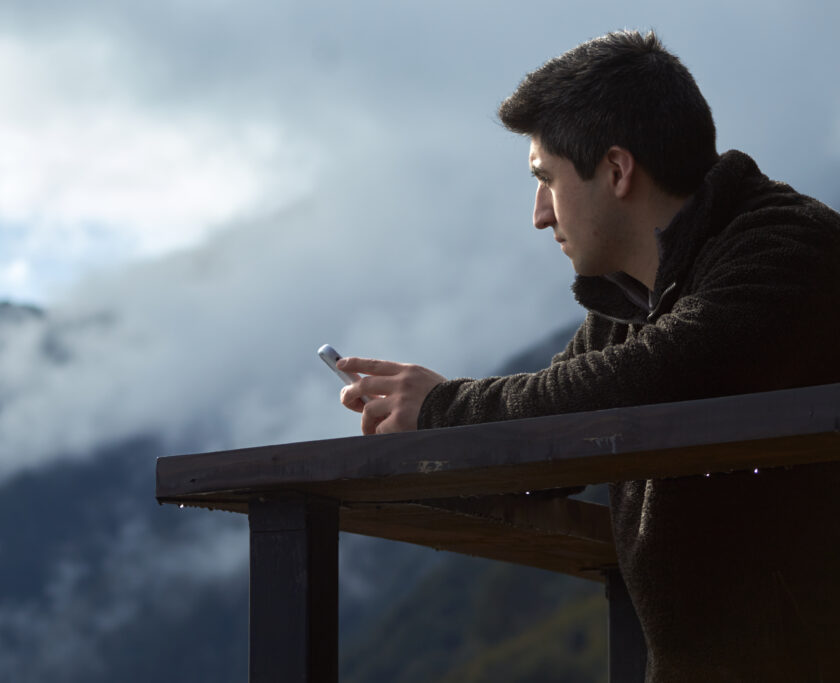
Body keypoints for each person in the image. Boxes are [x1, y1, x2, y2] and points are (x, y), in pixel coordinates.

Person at [338, 30, 840, 681]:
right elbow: (554, 438)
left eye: (546, 179)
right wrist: (421, 430)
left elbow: (648, 381)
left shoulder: (792, 250)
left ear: (616, 170)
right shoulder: (630, 306)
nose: (539, 215)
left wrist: (441, 410)